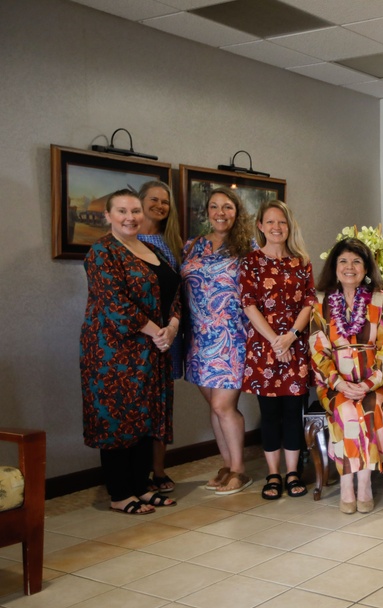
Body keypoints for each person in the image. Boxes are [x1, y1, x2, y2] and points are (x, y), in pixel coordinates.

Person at [80, 190, 180, 514]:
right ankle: (120, 493)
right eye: (121, 211)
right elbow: (114, 303)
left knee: (146, 418)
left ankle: (141, 486)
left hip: (154, 348)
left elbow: (175, 290)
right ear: (107, 216)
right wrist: (157, 333)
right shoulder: (101, 252)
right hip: (113, 352)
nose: (130, 217)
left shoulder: (151, 248)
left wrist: (173, 327)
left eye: (135, 210)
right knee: (117, 419)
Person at [310, 238, 383, 514]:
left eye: (357, 261)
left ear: (366, 267)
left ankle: (365, 482)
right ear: (334, 267)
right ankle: (348, 483)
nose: (350, 267)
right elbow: (318, 350)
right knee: (347, 412)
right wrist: (340, 383)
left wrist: (368, 384)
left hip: (373, 381)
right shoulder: (320, 302)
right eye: (343, 261)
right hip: (333, 384)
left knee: (369, 409)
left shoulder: (380, 299)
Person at [181, 188, 256, 495]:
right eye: (214, 207)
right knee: (214, 407)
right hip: (198, 338)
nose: (220, 212)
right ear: (207, 212)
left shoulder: (247, 247)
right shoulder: (192, 245)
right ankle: (226, 465)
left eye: (227, 207)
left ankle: (240, 469)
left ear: (237, 212)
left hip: (232, 337)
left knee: (225, 406)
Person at [240, 200, 316, 501]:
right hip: (264, 348)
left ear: (289, 226)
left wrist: (291, 336)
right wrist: (276, 340)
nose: (276, 227)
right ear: (260, 226)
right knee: (269, 414)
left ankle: (293, 472)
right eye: (270, 222)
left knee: (293, 413)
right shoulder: (251, 262)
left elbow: (309, 303)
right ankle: (273, 474)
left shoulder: (302, 261)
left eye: (282, 222)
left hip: (295, 347)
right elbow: (249, 305)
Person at [137, 180, 184, 494]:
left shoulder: (174, 242)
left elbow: (179, 290)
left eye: (164, 201)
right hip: (137, 335)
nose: (159, 205)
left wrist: (173, 326)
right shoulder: (127, 240)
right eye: (153, 199)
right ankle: (135, 475)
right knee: (138, 404)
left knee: (162, 404)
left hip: (169, 332)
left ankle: (158, 470)